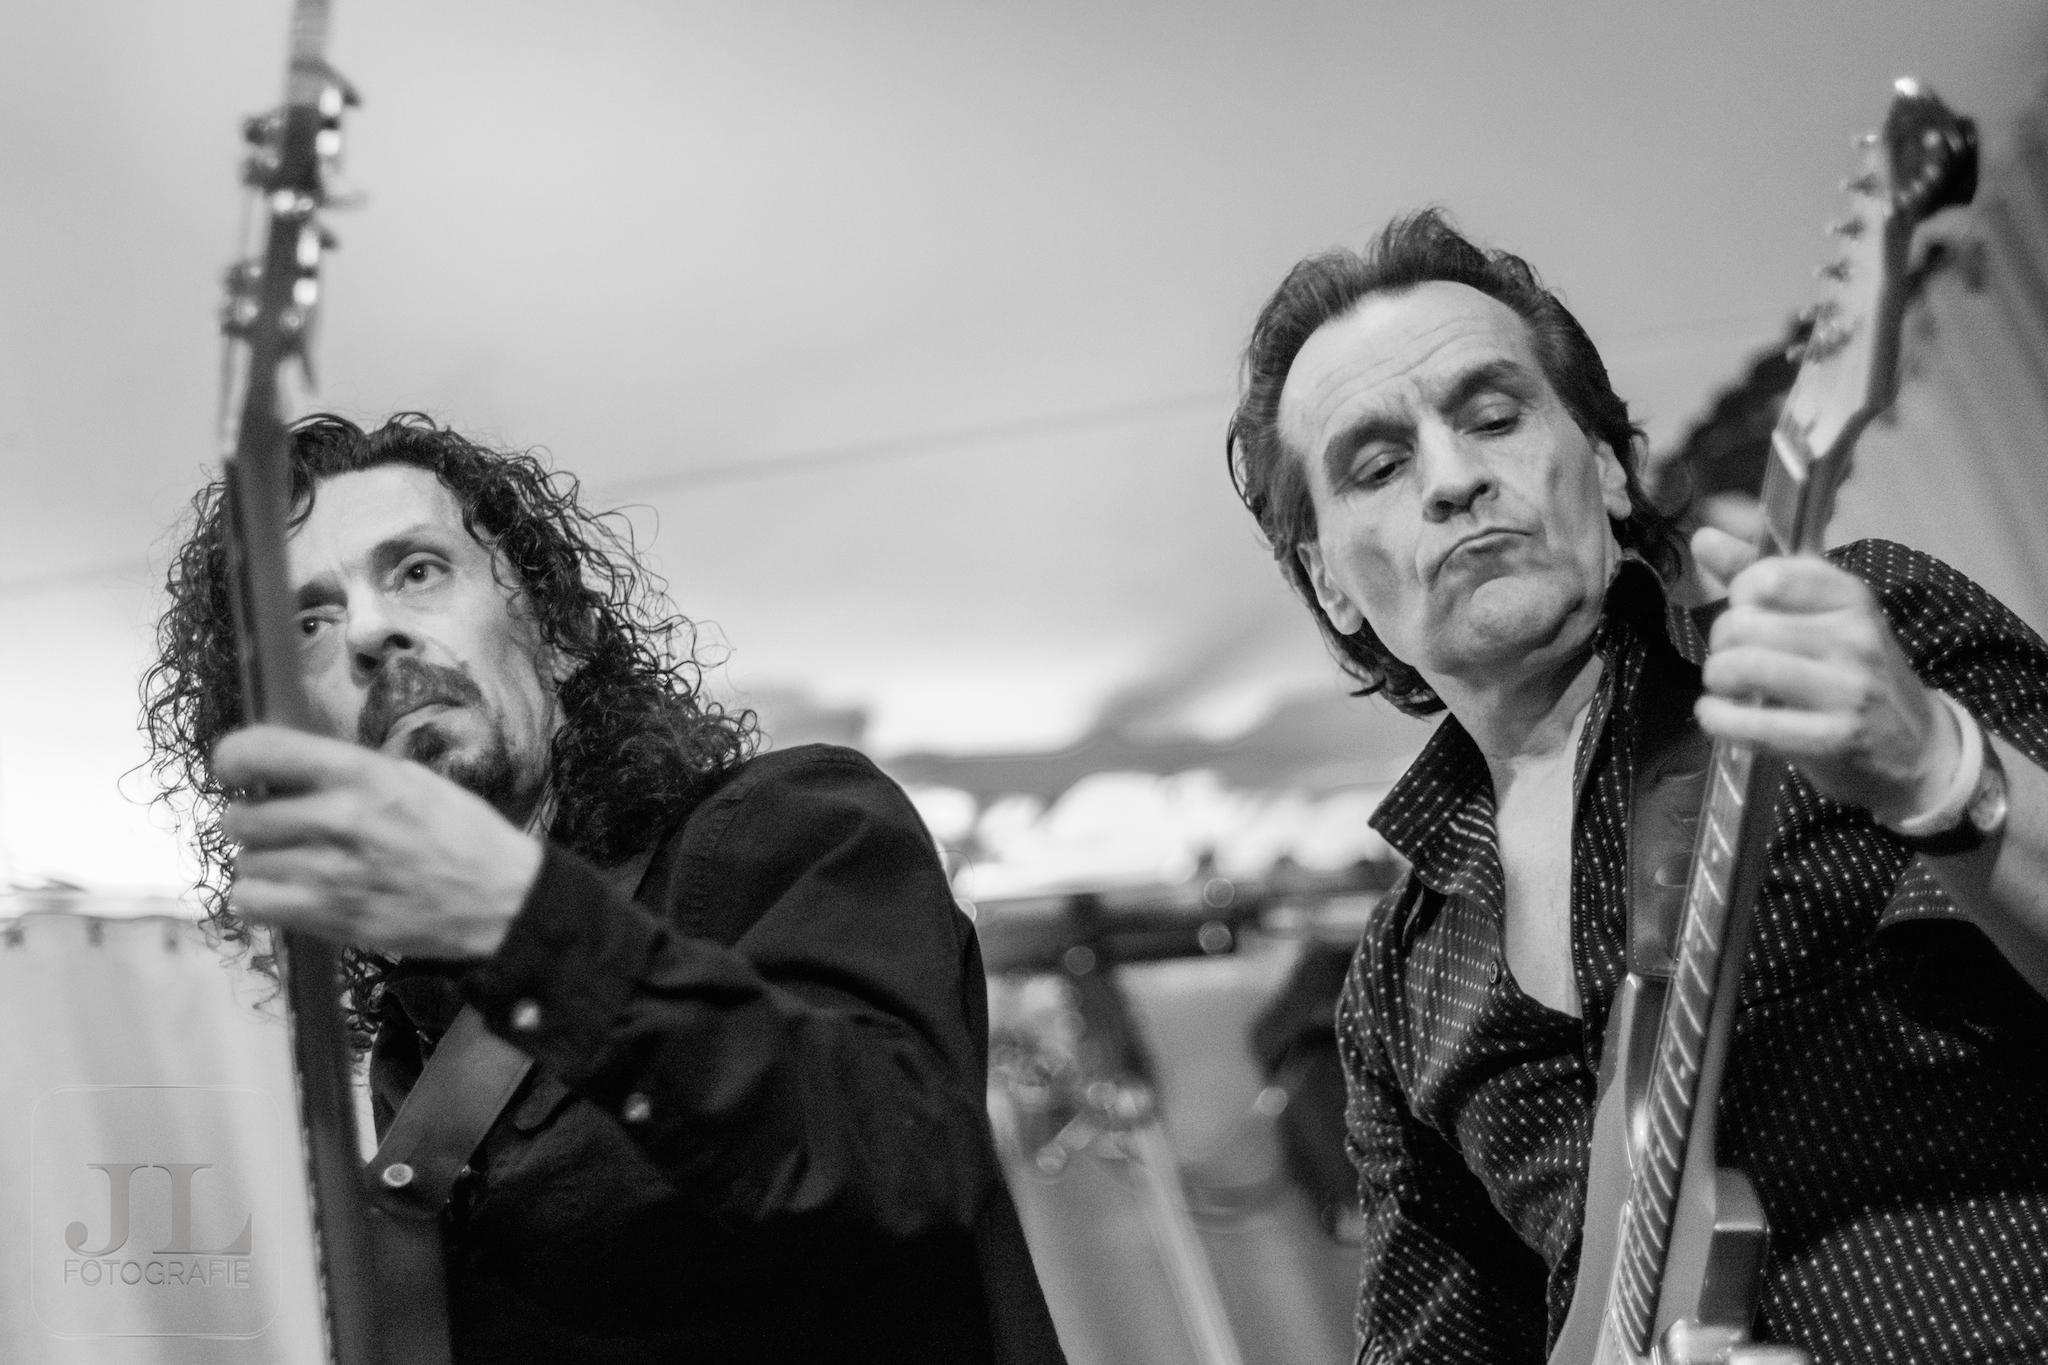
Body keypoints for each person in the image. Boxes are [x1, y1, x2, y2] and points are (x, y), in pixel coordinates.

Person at [1226, 210, 2048, 1364]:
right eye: (1379, 465)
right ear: (1329, 583)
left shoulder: (1844, 648)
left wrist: (1935, 771)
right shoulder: (1394, 990)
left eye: (1492, 417)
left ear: (1607, 468)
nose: (1453, 479)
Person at [141, 413, 1067, 1365]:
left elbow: (903, 1163)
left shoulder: (786, 827)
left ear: (564, 632)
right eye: (310, 623)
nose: (372, 632)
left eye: (417, 570)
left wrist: (524, 923)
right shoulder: (416, 1055)